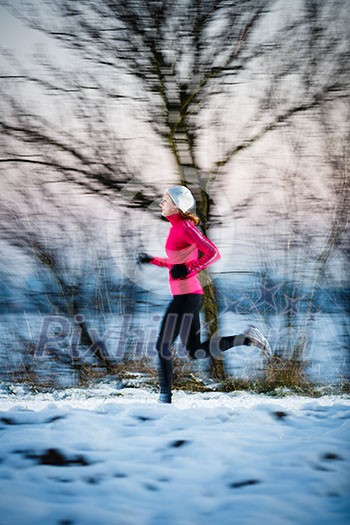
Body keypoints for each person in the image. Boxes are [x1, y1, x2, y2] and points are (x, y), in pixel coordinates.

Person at [138, 186, 271, 403]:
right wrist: (152, 260)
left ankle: (165, 399)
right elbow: (175, 263)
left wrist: (190, 270)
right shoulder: (175, 228)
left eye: (165, 200)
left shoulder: (185, 227)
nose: (161, 203)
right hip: (187, 297)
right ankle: (247, 339)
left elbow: (213, 252)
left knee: (162, 345)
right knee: (195, 351)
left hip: (187, 296)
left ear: (177, 206)